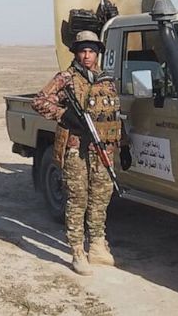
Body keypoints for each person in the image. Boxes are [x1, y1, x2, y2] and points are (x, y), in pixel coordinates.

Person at [32, 30, 121, 276]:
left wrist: (121, 144)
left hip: (102, 149)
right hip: (75, 149)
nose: (87, 56)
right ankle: (77, 251)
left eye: (91, 51)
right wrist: (64, 115)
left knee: (101, 197)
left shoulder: (106, 80)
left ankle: (97, 245)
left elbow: (112, 114)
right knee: (78, 198)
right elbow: (39, 101)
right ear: (76, 53)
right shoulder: (66, 79)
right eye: (83, 51)